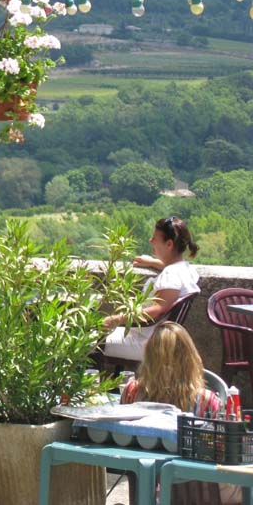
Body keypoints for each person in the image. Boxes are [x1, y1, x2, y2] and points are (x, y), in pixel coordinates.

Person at [120, 323, 239, 505]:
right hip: (199, 493)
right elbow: (224, 453)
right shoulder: (207, 401)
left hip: (147, 486)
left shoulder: (132, 392)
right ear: (190, 357)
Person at [104, 216, 200, 362]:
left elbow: (156, 311)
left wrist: (115, 319)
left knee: (88, 341)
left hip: (145, 343)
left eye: (154, 238)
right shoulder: (185, 270)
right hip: (154, 339)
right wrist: (154, 262)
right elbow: (172, 269)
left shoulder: (171, 275)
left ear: (169, 244)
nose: (150, 241)